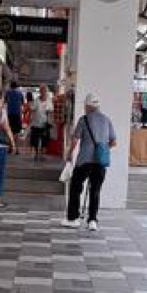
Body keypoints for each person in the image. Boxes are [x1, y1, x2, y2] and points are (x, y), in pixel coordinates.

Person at [62, 92, 117, 232]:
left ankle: (73, 218)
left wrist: (69, 154)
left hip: (84, 161)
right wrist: (102, 149)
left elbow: (75, 140)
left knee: (75, 187)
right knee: (95, 190)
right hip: (100, 161)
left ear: (87, 106)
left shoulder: (83, 120)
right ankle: (92, 220)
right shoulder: (106, 120)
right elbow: (113, 142)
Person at [29, 84, 51, 160]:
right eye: (42, 91)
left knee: (44, 139)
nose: (44, 92)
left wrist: (50, 120)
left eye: (45, 91)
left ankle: (41, 153)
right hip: (36, 123)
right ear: (40, 92)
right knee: (35, 139)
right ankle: (36, 153)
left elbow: (51, 111)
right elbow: (32, 110)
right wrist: (31, 119)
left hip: (45, 124)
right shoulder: (36, 100)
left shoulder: (49, 101)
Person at [5, 80, 25, 152]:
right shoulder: (20, 93)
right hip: (17, 115)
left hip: (10, 114)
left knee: (10, 131)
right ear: (17, 86)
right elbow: (22, 103)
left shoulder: (8, 92)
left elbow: (5, 101)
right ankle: (16, 148)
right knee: (16, 132)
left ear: (10, 86)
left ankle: (10, 148)